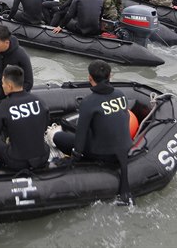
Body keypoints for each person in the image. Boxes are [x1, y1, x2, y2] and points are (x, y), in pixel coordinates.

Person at [51, 59, 133, 203]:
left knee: (58, 137)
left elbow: (80, 136)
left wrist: (73, 159)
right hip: (124, 150)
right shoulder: (120, 95)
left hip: (103, 154)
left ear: (89, 78)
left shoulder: (89, 102)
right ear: (110, 76)